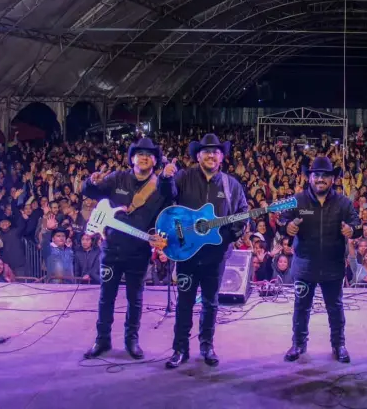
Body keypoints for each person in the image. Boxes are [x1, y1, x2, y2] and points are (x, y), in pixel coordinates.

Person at [81, 138, 176, 361]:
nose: (144, 157)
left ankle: (131, 340)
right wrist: (91, 182)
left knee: (136, 298)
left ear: (155, 160)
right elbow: (93, 193)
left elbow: (166, 211)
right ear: (132, 158)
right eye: (139, 153)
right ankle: (102, 339)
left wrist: (157, 235)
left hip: (138, 251)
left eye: (149, 154)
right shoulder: (117, 178)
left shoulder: (159, 186)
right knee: (106, 297)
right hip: (112, 249)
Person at [166, 133, 249, 370]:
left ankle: (207, 345)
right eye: (206, 151)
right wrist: (165, 178)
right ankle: (180, 348)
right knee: (184, 302)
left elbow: (242, 212)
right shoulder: (183, 177)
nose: (211, 155)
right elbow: (166, 200)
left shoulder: (231, 185)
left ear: (222, 156)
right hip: (187, 253)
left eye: (216, 151)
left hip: (215, 254)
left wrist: (234, 231)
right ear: (198, 156)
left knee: (211, 302)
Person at [281, 156, 360, 363]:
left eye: (325, 176)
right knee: (301, 307)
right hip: (305, 265)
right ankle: (298, 344)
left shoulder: (343, 203)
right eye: (317, 175)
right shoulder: (298, 200)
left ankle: (339, 345)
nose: (320, 179)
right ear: (310, 178)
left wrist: (351, 229)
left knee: (335, 307)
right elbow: (282, 220)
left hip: (333, 265)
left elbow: (357, 224)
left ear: (332, 179)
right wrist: (287, 227)